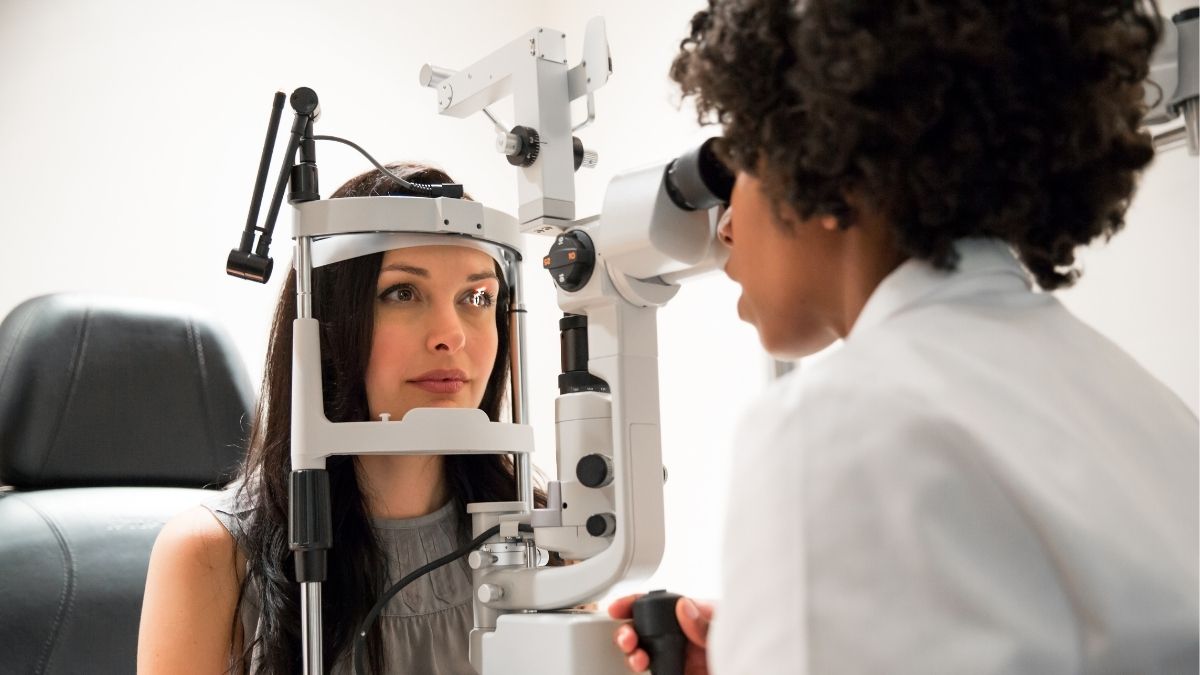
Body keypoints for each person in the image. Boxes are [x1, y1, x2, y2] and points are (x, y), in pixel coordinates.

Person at [611, 1, 1199, 673]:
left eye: (740, 159)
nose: (724, 228)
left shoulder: (838, 423)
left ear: (826, 161)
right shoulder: (1142, 403)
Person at [138, 162, 541, 674]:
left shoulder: (541, 540)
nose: (450, 334)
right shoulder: (212, 558)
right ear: (327, 327)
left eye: (477, 297)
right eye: (402, 293)